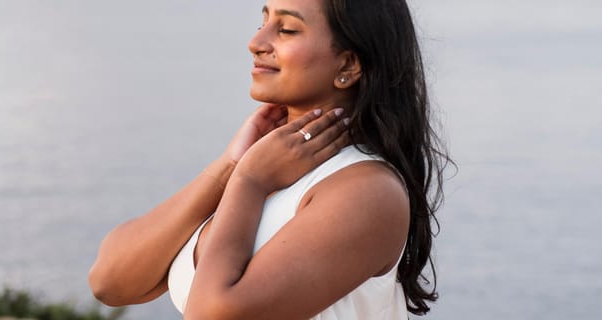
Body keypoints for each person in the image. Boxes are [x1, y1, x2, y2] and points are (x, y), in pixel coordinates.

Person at [88, 0, 449, 318]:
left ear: (350, 65)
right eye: (263, 23)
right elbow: (110, 281)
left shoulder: (368, 191)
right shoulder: (260, 167)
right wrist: (229, 167)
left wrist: (249, 182)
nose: (256, 43)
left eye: (287, 29)